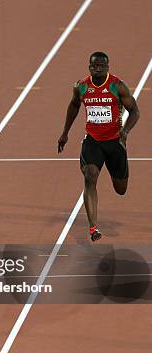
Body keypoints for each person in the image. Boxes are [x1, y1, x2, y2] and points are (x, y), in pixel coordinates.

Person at [58, 52, 140, 241]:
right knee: (90, 176)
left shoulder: (117, 86)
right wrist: (65, 133)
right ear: (89, 67)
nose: (98, 68)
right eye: (94, 66)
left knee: (121, 189)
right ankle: (93, 228)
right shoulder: (81, 86)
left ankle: (115, 172)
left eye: (102, 66)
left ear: (108, 67)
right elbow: (73, 106)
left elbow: (134, 111)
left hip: (115, 142)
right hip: (93, 141)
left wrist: (125, 131)